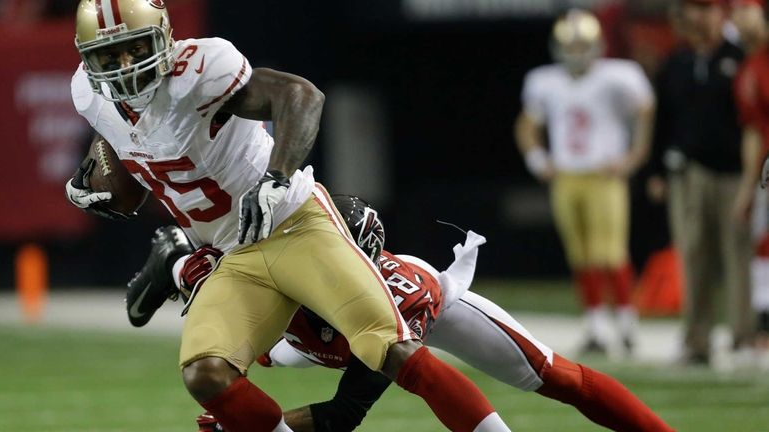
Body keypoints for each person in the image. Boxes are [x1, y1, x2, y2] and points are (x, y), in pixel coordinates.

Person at [63, 1, 511, 431]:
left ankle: (178, 263)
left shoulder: (200, 70)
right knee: (205, 374)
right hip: (231, 251)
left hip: (292, 223)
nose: (124, 64)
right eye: (108, 54)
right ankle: (179, 261)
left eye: (135, 48)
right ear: (88, 59)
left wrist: (276, 177)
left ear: (163, 37)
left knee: (389, 348)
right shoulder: (89, 93)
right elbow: (122, 166)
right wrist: (93, 186)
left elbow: (301, 95)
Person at [131, 195, 674, 431]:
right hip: (298, 338)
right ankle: (172, 258)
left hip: (399, 323)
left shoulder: (399, 293)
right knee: (210, 299)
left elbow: (343, 417)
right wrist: (178, 264)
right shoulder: (275, 277)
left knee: (553, 374)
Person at [514, 9, 656, 354]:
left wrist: (634, 157)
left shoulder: (619, 75)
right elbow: (527, 125)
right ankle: (595, 326)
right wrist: (538, 160)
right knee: (580, 255)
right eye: (570, 45)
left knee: (610, 252)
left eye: (582, 44)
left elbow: (646, 110)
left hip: (603, 175)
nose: (576, 52)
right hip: (567, 176)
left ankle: (626, 323)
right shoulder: (544, 80)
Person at [648, 0, 753, 366]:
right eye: (693, 8)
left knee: (737, 255)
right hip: (688, 173)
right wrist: (657, 171)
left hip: (734, 173)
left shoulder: (739, 58)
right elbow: (663, 120)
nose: (697, 16)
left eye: (705, 8)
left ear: (720, 14)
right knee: (693, 256)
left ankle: (743, 338)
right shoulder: (676, 62)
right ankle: (697, 340)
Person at [731, 0, 769, 356]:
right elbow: (754, 134)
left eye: (744, 9)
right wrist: (747, 187)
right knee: (763, 248)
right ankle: (764, 325)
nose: (737, 18)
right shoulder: (748, 69)